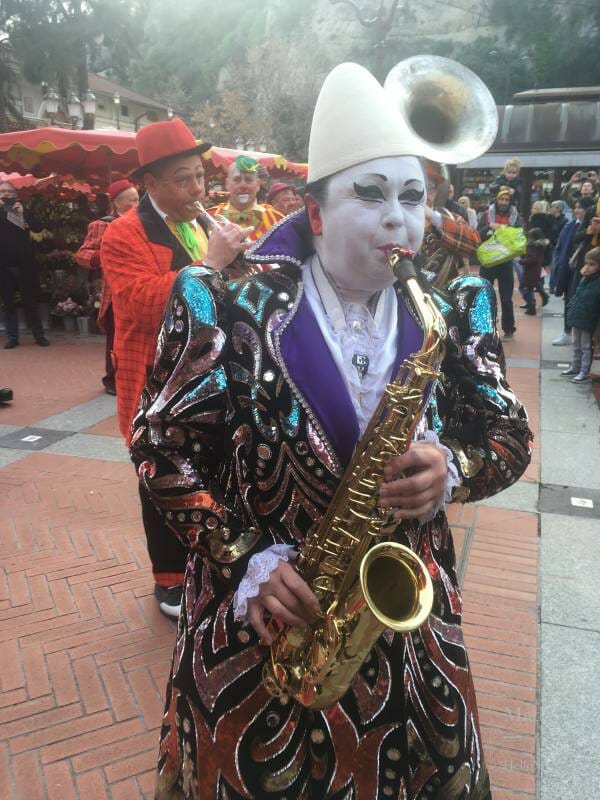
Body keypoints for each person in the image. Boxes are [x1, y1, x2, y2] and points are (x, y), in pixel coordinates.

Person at [131, 61, 531, 799]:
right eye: (370, 195)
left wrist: (456, 472)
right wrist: (243, 560)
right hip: (263, 620)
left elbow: (509, 435)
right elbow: (161, 447)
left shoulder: (449, 302)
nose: (397, 220)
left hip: (408, 631)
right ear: (315, 214)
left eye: (412, 197)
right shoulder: (225, 301)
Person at [101, 117, 250, 618]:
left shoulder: (193, 222)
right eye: (183, 179)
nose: (196, 189)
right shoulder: (121, 234)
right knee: (160, 477)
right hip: (154, 380)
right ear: (150, 184)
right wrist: (209, 264)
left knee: (206, 471)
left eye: (199, 177)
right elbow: (140, 302)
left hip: (205, 372)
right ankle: (168, 584)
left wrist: (239, 267)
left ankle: (207, 568)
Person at [76, 180, 140, 395]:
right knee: (114, 339)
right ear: (118, 203)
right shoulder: (102, 225)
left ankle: (134, 378)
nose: (136, 203)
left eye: (137, 199)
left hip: (139, 289)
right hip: (115, 293)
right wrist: (103, 253)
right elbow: (82, 256)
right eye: (132, 200)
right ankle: (112, 379)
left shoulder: (145, 223)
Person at [0, 181, 49, 349]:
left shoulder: (23, 210)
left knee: (31, 302)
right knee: (8, 304)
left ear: (15, 195)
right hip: (4, 265)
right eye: (2, 192)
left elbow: (38, 228)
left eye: (9, 192)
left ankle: (39, 335)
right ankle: (12, 337)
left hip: (24, 264)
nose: (6, 194)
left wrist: (24, 213)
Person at [421, 168, 480, 288]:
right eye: (420, 186)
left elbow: (474, 243)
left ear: (438, 192)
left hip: (442, 293)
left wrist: (432, 216)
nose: (425, 193)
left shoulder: (450, 216)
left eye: (431, 187)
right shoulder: (398, 218)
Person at [478, 186, 523, 340]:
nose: (504, 202)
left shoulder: (515, 216)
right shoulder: (486, 214)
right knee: (484, 295)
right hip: (488, 262)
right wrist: (489, 226)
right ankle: (485, 328)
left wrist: (505, 230)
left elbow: (519, 234)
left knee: (506, 298)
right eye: (501, 199)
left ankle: (509, 329)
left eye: (506, 199)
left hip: (505, 262)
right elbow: (478, 234)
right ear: (496, 200)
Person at [209, 155, 283, 239]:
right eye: (237, 179)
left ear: (258, 185)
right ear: (227, 184)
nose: (243, 186)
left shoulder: (277, 220)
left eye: (248, 180)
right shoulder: (210, 217)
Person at [553, 199, 591, 345]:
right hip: (570, 268)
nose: (577, 210)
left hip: (586, 269)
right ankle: (567, 332)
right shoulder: (570, 225)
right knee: (569, 300)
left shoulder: (589, 226)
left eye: (581, 208)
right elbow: (560, 248)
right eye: (576, 207)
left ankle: (583, 336)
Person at [562, 246, 600, 382]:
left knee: (585, 347)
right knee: (576, 344)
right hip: (578, 317)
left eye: (592, 264)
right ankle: (575, 367)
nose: (587, 267)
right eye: (587, 263)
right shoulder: (586, 278)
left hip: (589, 320)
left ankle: (584, 371)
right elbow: (578, 296)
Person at [518, 227, 549, 315]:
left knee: (524, 287)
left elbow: (532, 259)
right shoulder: (540, 245)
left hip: (530, 270)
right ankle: (540, 298)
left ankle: (531, 306)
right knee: (531, 286)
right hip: (536, 269)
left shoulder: (532, 246)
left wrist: (521, 261)